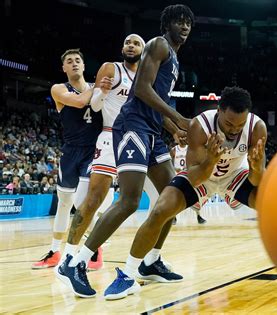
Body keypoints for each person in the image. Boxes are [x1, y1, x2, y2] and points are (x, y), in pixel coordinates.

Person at [56, 4, 194, 298]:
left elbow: (155, 100)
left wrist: (175, 129)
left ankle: (151, 261)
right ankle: (76, 262)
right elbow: (142, 90)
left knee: (174, 198)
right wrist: (179, 117)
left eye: (188, 23)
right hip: (132, 126)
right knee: (129, 200)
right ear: (167, 24)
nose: (184, 26)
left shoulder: (175, 57)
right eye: (179, 21)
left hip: (153, 130)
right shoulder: (159, 45)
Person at [103, 86, 267, 300]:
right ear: (218, 111)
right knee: (161, 209)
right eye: (229, 123)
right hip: (202, 175)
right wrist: (210, 160)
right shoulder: (200, 125)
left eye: (240, 125)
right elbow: (195, 178)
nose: (235, 130)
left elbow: (257, 180)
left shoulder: (257, 128)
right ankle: (128, 274)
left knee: (273, 204)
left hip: (235, 175)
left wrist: (256, 167)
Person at [59, 34, 160, 271]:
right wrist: (102, 92)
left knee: (160, 198)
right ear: (122, 48)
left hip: (141, 139)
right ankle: (69, 255)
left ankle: (151, 259)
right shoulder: (111, 68)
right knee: (92, 200)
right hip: (111, 136)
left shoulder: (148, 78)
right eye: (127, 42)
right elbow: (94, 106)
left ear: (144, 51)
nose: (131, 46)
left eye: (136, 43)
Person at [32, 49, 111, 269]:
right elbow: (77, 102)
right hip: (70, 152)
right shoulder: (58, 89)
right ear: (64, 68)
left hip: (93, 151)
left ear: (84, 66)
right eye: (69, 61)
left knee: (85, 203)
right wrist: (97, 86)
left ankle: (95, 250)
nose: (74, 63)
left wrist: (100, 89)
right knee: (64, 203)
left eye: (78, 60)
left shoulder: (100, 91)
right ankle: (55, 251)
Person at [170, 134, 207, 224]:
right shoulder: (174, 150)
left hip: (188, 175)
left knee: (194, 196)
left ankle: (199, 216)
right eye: (180, 137)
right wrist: (175, 169)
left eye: (184, 137)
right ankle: (173, 217)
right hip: (176, 175)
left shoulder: (190, 148)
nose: (182, 139)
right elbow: (169, 163)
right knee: (174, 197)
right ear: (177, 139)